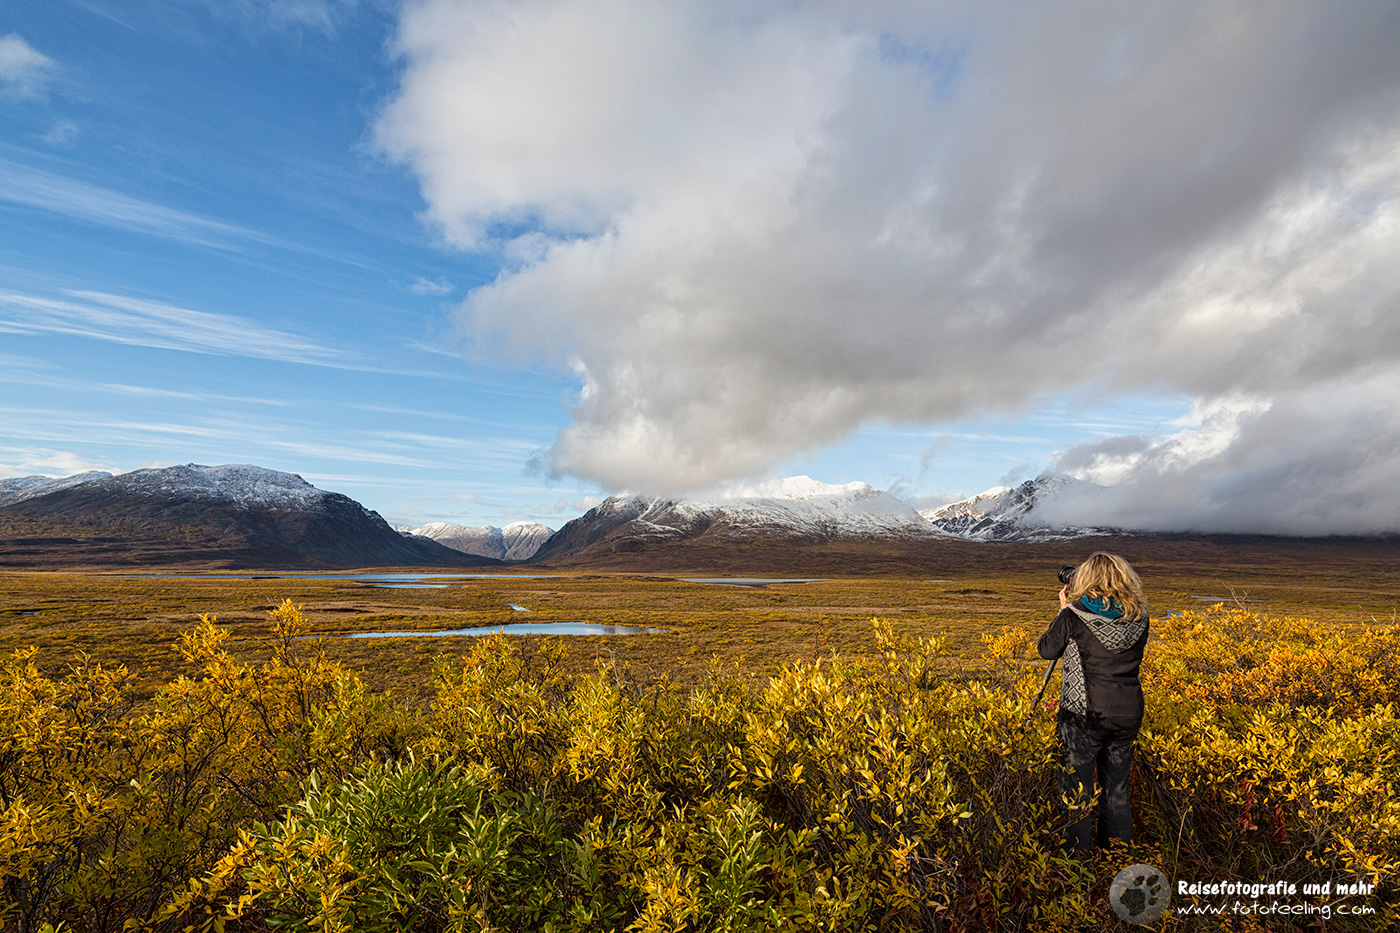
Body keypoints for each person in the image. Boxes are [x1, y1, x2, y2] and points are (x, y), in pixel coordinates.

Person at [1037, 551, 1149, 854]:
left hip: (1083, 716)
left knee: (1076, 790)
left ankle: (1077, 864)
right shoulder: (1139, 615)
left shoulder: (1074, 615)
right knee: (1117, 790)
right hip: (1127, 715)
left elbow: (1047, 649)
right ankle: (1117, 857)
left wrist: (1063, 611)